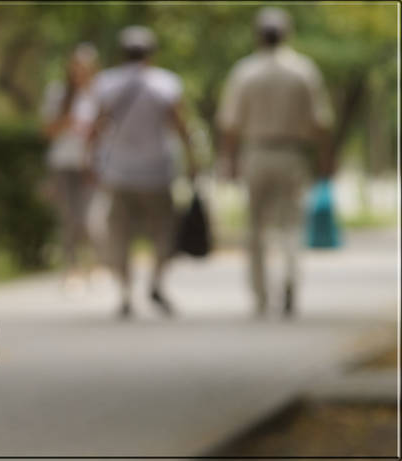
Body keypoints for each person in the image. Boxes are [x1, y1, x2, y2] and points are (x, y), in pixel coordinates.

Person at [216, 7, 335, 318]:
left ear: (258, 35)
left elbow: (230, 124)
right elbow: (321, 122)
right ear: (287, 33)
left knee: (255, 228)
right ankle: (291, 281)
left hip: (255, 153)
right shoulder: (303, 71)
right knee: (291, 225)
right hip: (293, 154)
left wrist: (227, 161)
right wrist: (325, 159)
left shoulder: (245, 72)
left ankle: (260, 296)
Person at [89, 26, 197, 318]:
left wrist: (91, 162)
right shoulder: (166, 84)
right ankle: (157, 282)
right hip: (157, 172)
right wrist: (193, 160)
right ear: (152, 53)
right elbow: (181, 126)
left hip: (119, 172)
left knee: (119, 234)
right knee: (163, 231)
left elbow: (95, 127)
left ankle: (125, 292)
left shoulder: (106, 83)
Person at [40, 43, 99, 287]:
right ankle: (72, 266)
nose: (79, 72)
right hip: (63, 163)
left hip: (90, 164)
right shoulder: (57, 93)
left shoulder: (99, 94)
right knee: (68, 217)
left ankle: (93, 263)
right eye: (75, 66)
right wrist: (67, 120)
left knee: (88, 217)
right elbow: (47, 131)